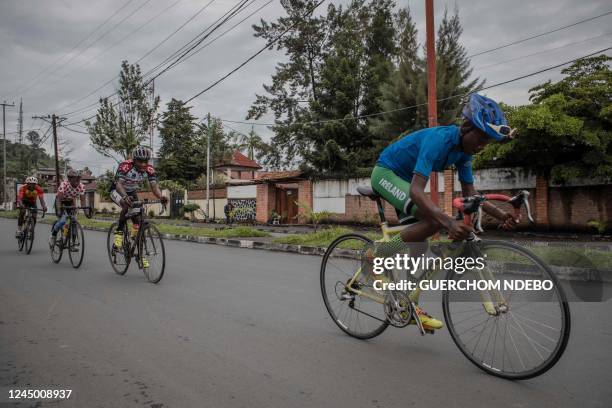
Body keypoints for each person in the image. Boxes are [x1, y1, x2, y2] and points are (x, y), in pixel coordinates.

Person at [369, 93, 519, 332]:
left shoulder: (465, 153)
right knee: (433, 222)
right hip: (386, 174)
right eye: (481, 138)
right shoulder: (439, 139)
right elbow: (418, 192)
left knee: (419, 245)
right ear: (466, 127)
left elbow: (471, 193)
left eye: (487, 142)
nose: (482, 146)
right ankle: (377, 253)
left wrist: (500, 214)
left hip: (406, 181)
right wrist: (448, 221)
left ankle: (408, 303)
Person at [110, 146, 167, 266]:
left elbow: (154, 186)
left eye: (145, 161)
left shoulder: (149, 169)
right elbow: (119, 185)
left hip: (132, 192)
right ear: (134, 160)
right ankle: (118, 237)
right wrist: (125, 197)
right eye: (140, 161)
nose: (143, 164)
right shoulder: (125, 165)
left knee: (141, 221)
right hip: (118, 191)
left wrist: (161, 197)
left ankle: (140, 255)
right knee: (126, 205)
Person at [49, 169, 86, 249]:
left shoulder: (82, 186)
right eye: (75, 179)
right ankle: (53, 236)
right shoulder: (64, 185)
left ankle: (73, 243)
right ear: (69, 179)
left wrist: (86, 211)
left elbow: (83, 200)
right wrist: (59, 210)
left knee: (73, 222)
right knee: (62, 220)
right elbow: (58, 199)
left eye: (79, 179)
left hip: (70, 202)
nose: (77, 181)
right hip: (60, 201)